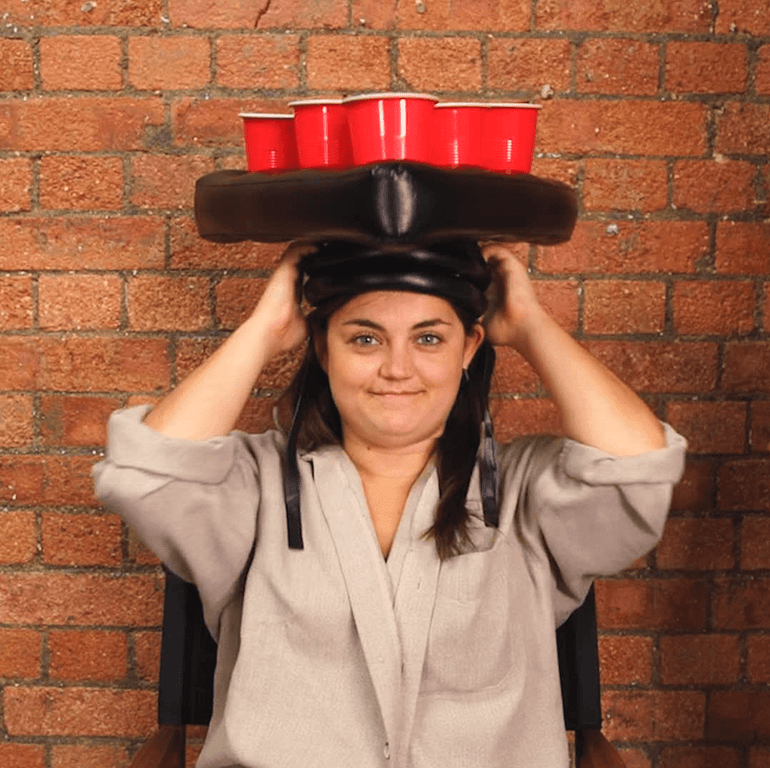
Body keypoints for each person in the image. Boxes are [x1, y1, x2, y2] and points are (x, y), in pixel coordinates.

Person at [93, 240, 686, 768]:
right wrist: (265, 327)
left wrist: (531, 324)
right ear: (324, 350)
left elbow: (636, 470)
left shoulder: (521, 491)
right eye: (365, 338)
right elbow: (152, 471)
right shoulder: (255, 486)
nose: (397, 368)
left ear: (469, 347)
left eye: (429, 338)